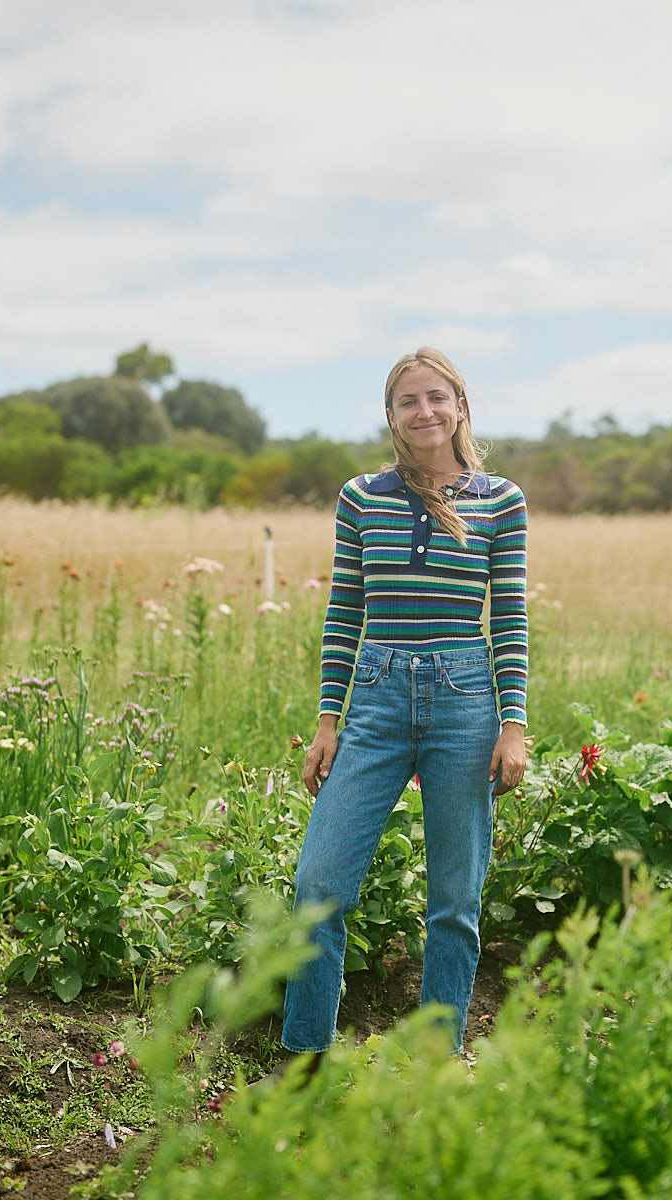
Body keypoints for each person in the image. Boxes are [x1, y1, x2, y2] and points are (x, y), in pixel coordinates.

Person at [281, 346, 529, 1061]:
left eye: (435, 397)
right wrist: (329, 721)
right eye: (407, 401)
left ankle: (436, 1062)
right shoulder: (362, 496)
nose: (424, 411)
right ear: (390, 416)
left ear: (460, 406)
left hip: (464, 702)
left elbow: (508, 619)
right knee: (319, 884)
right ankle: (304, 1061)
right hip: (377, 702)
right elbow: (344, 612)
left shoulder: (500, 500)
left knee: (455, 901)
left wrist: (512, 725)